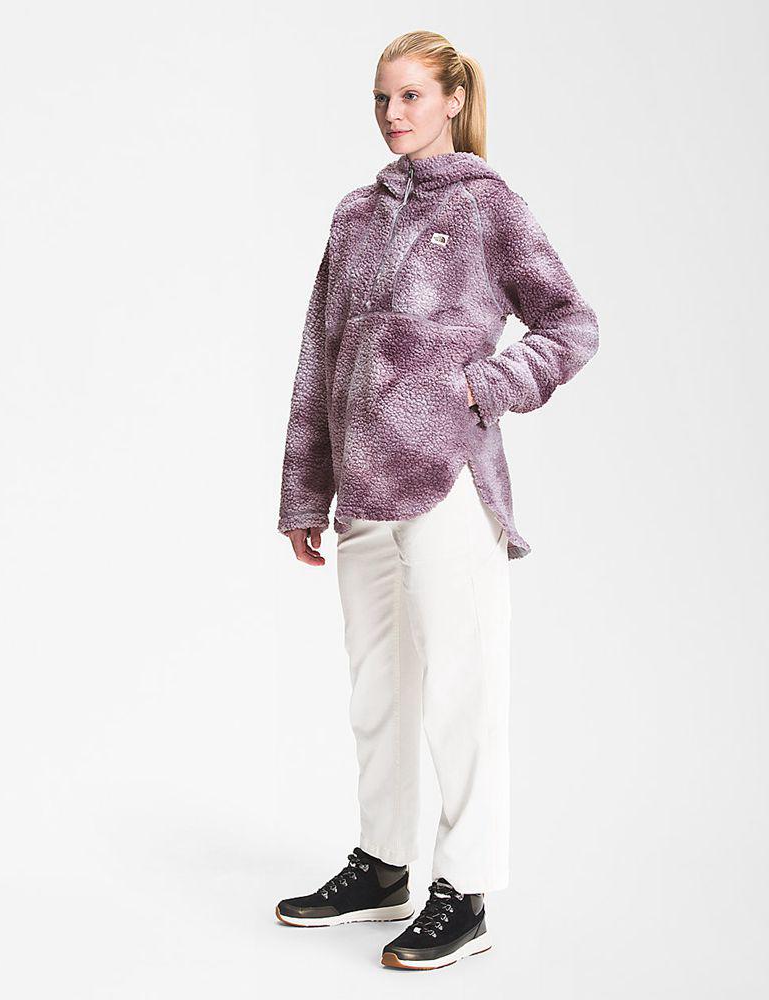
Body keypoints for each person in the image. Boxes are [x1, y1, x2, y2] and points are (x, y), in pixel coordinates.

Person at [274, 30, 599, 970]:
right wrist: (305, 489)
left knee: (462, 690)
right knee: (377, 692)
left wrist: (483, 388)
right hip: (362, 492)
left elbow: (571, 323)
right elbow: (319, 358)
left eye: (411, 95)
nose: (393, 114)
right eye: (382, 97)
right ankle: (382, 866)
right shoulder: (353, 215)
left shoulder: (488, 205)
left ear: (453, 98)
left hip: (448, 480)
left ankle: (468, 889)